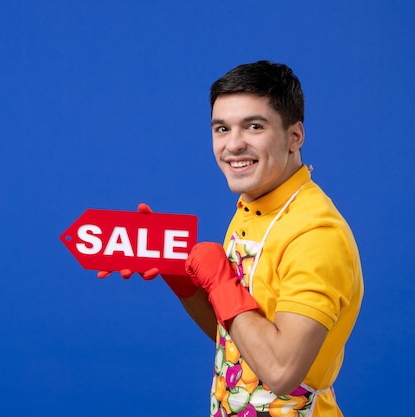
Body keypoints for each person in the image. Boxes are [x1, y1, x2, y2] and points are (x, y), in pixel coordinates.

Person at [99, 60, 363, 417]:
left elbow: (282, 371)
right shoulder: (253, 208)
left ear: (295, 136)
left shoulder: (315, 234)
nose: (233, 144)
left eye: (254, 126)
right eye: (222, 128)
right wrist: (182, 280)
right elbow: (240, 340)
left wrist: (221, 281)